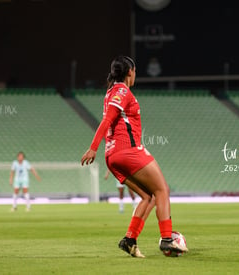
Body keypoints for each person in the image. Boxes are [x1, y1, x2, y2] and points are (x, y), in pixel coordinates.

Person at [81, 55, 188, 258]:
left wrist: (99, 149)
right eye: (135, 71)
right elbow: (107, 120)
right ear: (130, 72)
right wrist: (92, 147)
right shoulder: (122, 90)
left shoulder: (111, 92)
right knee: (162, 189)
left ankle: (130, 240)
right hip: (128, 150)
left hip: (113, 156)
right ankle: (167, 239)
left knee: (148, 197)